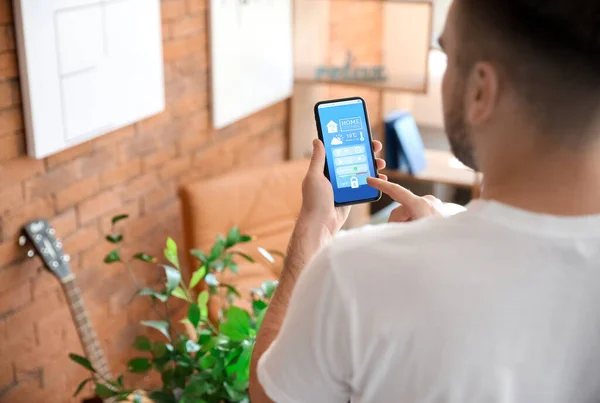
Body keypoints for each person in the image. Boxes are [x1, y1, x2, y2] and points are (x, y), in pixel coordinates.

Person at [249, 0, 600, 401]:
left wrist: (312, 234)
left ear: (481, 91)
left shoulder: (352, 272)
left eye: (448, 55)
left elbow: (268, 395)